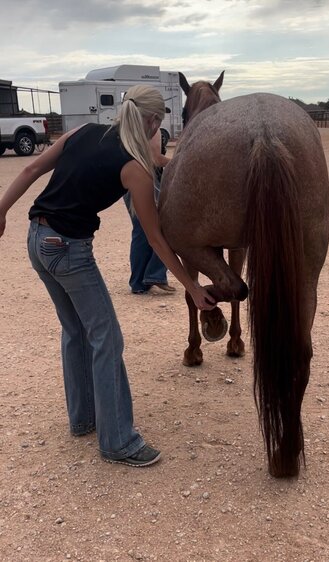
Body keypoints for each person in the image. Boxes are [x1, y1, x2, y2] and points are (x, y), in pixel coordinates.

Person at [0, 84, 215, 468]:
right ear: (152, 122)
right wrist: (192, 285)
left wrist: (0, 211)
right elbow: (156, 238)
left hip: (36, 238)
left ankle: (83, 419)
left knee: (76, 330)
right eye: (159, 124)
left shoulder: (84, 132)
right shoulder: (134, 167)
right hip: (67, 249)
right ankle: (118, 441)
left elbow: (32, 168)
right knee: (106, 336)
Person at [123, 126, 175, 294]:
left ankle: (138, 282)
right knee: (166, 228)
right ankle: (155, 274)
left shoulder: (125, 128)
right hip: (148, 180)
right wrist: (180, 161)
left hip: (128, 181)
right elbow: (156, 159)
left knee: (140, 230)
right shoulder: (152, 129)